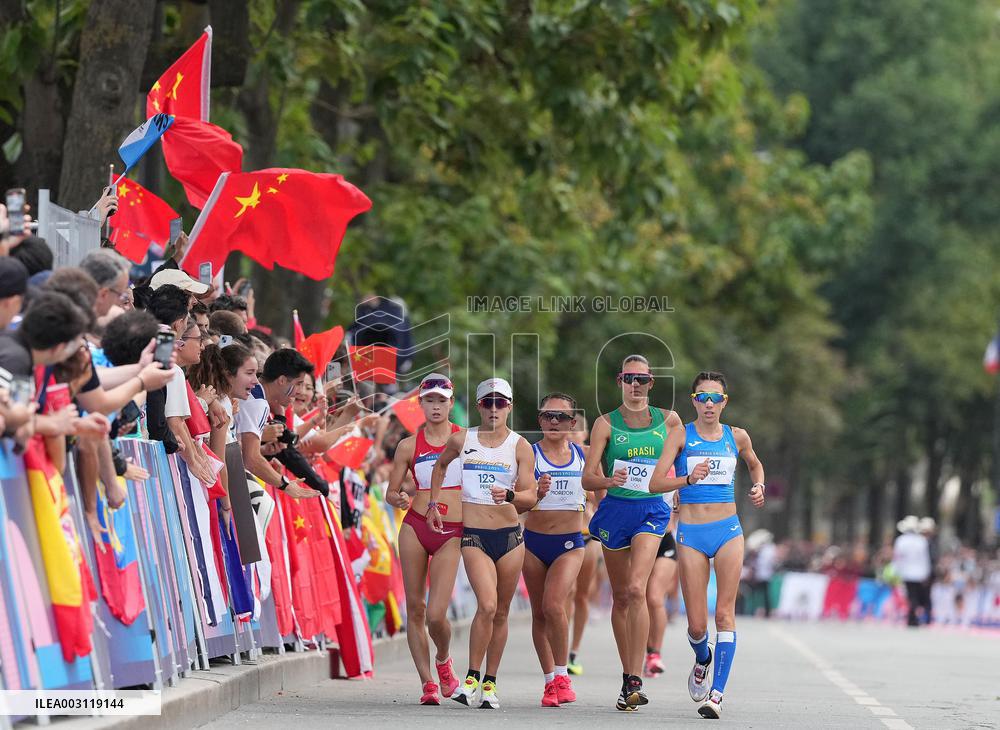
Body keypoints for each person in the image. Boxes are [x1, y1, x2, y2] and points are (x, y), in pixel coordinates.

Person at [648, 370, 766, 720]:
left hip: (728, 530)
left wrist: (758, 486)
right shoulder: (680, 436)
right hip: (691, 535)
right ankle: (703, 658)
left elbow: (756, 466)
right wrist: (686, 480)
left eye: (716, 398)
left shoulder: (737, 436)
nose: (709, 404)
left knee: (724, 614)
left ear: (724, 402)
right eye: (703, 398)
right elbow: (656, 482)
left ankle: (716, 694)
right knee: (698, 626)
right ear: (694, 401)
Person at [428, 377, 546, 709]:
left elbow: (530, 497)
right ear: (479, 406)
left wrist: (510, 495)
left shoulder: (520, 445)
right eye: (488, 402)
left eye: (501, 403)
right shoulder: (462, 439)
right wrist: (434, 504)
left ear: (510, 406)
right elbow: (439, 466)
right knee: (488, 605)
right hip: (475, 536)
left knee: (502, 612)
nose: (494, 409)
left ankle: (490, 684)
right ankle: (470, 679)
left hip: (510, 537)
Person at [581, 354, 682, 711]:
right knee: (622, 596)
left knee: (638, 589)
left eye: (641, 379)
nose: (635, 385)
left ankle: (636, 676)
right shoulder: (605, 424)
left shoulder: (668, 421)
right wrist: (609, 480)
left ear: (652, 383)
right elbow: (587, 477)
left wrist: (680, 489)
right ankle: (627, 677)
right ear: (619, 381)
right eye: (628, 378)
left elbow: (681, 460)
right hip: (615, 512)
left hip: (652, 511)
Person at [385, 374, 464, 705]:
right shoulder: (408, 445)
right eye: (429, 400)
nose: (435, 406)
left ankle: (443, 660)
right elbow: (391, 491)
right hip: (416, 525)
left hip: (452, 530)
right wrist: (399, 498)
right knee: (414, 609)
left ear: (451, 403)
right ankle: (427, 682)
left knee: (435, 614)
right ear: (421, 404)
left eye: (441, 401)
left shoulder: (465, 440)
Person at [523, 392, 587, 708]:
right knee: (539, 613)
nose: (554, 422)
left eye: (561, 417)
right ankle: (550, 681)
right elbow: (516, 496)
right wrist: (533, 493)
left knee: (553, 605)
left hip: (569, 544)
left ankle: (563, 674)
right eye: (548, 415)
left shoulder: (584, 455)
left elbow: (605, 489)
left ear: (571, 422)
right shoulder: (528, 454)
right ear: (540, 420)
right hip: (533, 543)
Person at [566, 413, 601, 677]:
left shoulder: (591, 456)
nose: (572, 435)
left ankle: (573, 650)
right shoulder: (555, 454)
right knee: (565, 592)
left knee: (581, 594)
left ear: (585, 434)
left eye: (577, 431)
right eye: (569, 430)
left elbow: (601, 495)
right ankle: (561, 646)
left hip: (588, 534)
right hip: (564, 531)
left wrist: (589, 493)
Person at [644, 499, 679, 677]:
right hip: (640, 540)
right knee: (639, 598)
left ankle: (654, 654)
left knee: (655, 597)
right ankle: (642, 651)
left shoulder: (677, 473)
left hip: (665, 540)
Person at [893, 515, 932, 627]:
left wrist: (896, 572)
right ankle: (913, 617)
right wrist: (926, 573)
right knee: (915, 596)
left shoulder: (901, 541)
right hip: (919, 573)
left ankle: (912, 617)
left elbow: (897, 558)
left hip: (906, 573)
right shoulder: (921, 541)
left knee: (911, 596)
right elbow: (925, 559)